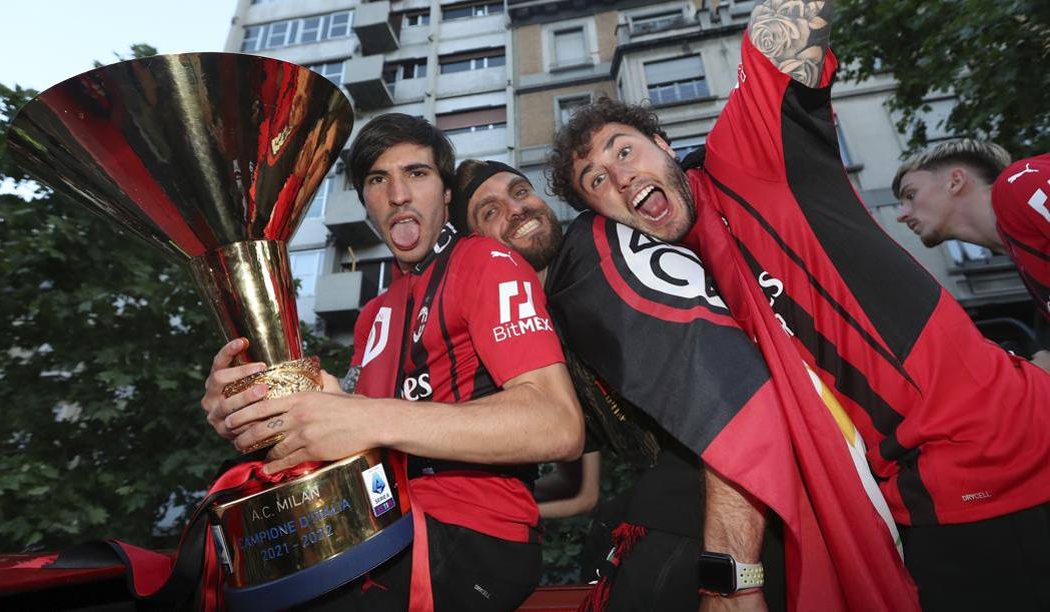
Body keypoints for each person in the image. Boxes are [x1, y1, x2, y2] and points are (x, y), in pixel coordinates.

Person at [545, 1, 1050, 610]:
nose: (618, 178)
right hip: (919, 511)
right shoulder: (678, 289)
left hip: (1020, 445)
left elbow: (792, 20)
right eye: (595, 182)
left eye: (623, 152)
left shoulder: (748, 154)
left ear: (663, 143)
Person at [201, 114, 584, 611]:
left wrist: (363, 417)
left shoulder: (486, 261)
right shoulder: (373, 315)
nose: (398, 194)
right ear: (366, 202)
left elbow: (558, 425)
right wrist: (251, 401)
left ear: (446, 194)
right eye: (378, 180)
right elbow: (352, 430)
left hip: (472, 537)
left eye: (417, 174)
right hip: (378, 521)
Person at [450, 158, 789, 610]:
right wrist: (472, 507)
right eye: (490, 211)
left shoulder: (598, 246)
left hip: (732, 499)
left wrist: (732, 580)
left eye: (519, 191)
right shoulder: (539, 330)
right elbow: (578, 488)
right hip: (694, 503)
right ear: (473, 249)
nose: (516, 209)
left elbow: (723, 390)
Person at [893, 140, 1050, 371]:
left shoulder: (1021, 182)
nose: (902, 215)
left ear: (955, 181)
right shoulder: (1027, 265)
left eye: (911, 195)